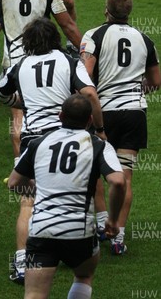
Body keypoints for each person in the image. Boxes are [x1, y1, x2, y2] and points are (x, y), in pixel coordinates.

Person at [0, 18, 102, 284]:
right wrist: (99, 128)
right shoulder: (68, 61)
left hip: (33, 140)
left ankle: (23, 262)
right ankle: (76, 247)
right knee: (75, 191)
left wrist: (21, 101)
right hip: (67, 135)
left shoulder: (20, 65)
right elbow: (89, 93)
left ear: (28, 41)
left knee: (28, 200)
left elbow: (0, 93)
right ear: (54, 38)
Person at [8, 94, 126, 299]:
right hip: (79, 232)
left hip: (41, 230)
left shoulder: (38, 143)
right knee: (83, 276)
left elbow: (14, 183)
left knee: (34, 293)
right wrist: (113, 220)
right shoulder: (99, 145)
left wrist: (39, 188)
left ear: (60, 115)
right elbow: (117, 181)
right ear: (90, 120)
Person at [80, 0, 161, 255]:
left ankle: (102, 224)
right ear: (129, 12)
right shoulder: (145, 40)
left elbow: (86, 76)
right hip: (135, 114)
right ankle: (118, 236)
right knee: (125, 176)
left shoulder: (94, 35)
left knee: (96, 173)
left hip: (104, 111)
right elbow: (156, 82)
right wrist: (135, 90)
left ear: (107, 10)